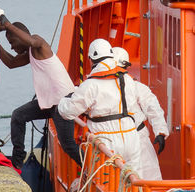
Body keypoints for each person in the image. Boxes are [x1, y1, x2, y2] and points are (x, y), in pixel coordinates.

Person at [0, 17, 81, 168]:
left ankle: (90, 168)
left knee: (68, 145)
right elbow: (11, 63)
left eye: (12, 43)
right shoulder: (30, 52)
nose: (12, 48)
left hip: (63, 102)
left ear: (20, 36)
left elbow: (33, 42)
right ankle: (17, 162)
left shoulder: (38, 43)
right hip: (50, 104)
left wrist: (7, 25)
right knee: (18, 116)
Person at [58, 38, 142, 173]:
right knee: (133, 180)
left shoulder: (90, 85)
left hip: (106, 139)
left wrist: (64, 100)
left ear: (91, 59)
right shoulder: (127, 79)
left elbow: (68, 112)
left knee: (106, 182)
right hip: (131, 136)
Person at [114, 47, 168, 180]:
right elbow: (153, 109)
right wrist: (160, 132)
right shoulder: (136, 86)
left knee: (148, 176)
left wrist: (161, 132)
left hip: (129, 138)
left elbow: (152, 108)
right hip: (128, 138)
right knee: (148, 178)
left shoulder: (134, 87)